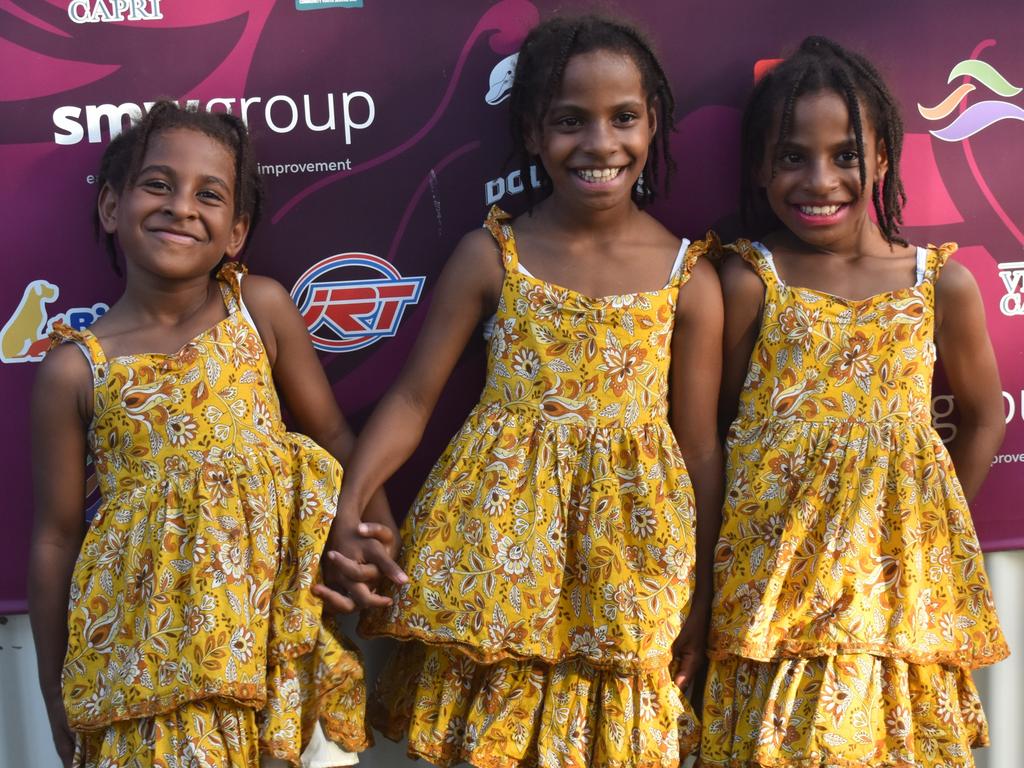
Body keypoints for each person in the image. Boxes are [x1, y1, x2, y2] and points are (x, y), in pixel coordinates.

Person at [316, 14, 724, 768]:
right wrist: (350, 503)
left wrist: (702, 592)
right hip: (495, 554)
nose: (600, 143)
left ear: (652, 122)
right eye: (571, 121)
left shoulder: (689, 278)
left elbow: (698, 444)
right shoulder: (490, 255)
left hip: (630, 562)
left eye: (623, 118)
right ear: (534, 134)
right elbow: (412, 401)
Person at [27, 101, 383, 768]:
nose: (181, 207)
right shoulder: (75, 369)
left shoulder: (260, 311)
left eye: (208, 194)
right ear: (111, 206)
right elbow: (54, 538)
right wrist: (52, 688)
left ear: (236, 232)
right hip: (153, 655)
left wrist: (370, 541)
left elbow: (334, 433)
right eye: (158, 184)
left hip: (278, 630)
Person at [700, 36, 1009, 767]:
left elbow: (984, 414)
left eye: (845, 155)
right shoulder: (750, 281)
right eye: (791, 157)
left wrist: (931, 525)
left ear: (883, 160)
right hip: (771, 590)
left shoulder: (937, 284)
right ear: (759, 168)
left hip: (893, 596)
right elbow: (712, 430)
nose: (820, 179)